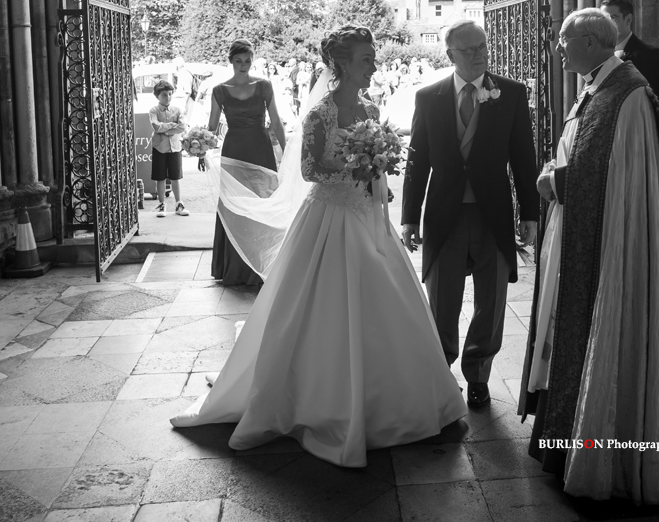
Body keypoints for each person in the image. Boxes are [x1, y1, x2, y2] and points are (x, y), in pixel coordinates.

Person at [171, 25, 466, 467]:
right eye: (367, 59)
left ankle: (400, 396)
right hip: (329, 219)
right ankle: (317, 400)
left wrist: (377, 166)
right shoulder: (320, 114)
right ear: (343, 64)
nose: (374, 66)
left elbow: (376, 160)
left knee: (388, 300)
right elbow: (309, 169)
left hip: (369, 217)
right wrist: (357, 167)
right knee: (319, 306)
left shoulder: (369, 105)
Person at [520, 8, 659, 503]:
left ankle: (607, 452)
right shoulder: (600, 83)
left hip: (610, 237)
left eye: (564, 40)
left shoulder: (628, 91)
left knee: (603, 327)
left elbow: (615, 172)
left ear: (595, 42)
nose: (557, 48)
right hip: (584, 229)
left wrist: (554, 181)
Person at [402, 19, 540, 408]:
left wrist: (529, 212)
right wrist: (409, 216)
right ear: (450, 55)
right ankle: (441, 372)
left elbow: (523, 157)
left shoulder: (510, 93)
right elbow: (418, 160)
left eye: (482, 47)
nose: (479, 54)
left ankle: (478, 373)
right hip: (445, 214)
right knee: (442, 297)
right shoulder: (428, 97)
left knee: (491, 299)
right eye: (469, 50)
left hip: (492, 213)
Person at [208, 39, 287, 287]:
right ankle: (235, 268)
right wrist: (200, 145)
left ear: (252, 60)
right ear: (230, 61)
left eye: (248, 61)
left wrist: (285, 153)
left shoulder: (264, 86)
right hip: (234, 150)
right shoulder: (219, 90)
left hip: (260, 148)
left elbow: (276, 121)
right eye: (238, 61)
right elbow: (211, 128)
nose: (243, 65)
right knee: (233, 205)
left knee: (263, 201)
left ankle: (264, 264)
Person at [601, 0, 659, 109]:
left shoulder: (650, 55)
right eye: (604, 19)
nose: (607, 24)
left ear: (628, 19)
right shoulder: (598, 54)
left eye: (613, 18)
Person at [148, 79, 190, 218]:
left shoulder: (177, 110)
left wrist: (166, 130)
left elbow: (182, 126)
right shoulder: (153, 110)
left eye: (170, 94)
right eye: (164, 95)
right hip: (159, 148)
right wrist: (172, 125)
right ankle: (161, 204)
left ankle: (179, 203)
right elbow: (156, 126)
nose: (168, 97)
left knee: (175, 177)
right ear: (157, 96)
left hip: (175, 148)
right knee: (160, 177)